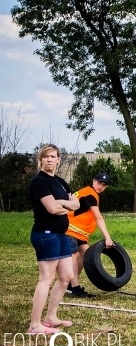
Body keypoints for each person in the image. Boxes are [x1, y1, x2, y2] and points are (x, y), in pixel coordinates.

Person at [27, 143, 80, 334]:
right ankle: (35, 325)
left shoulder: (60, 181)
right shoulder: (39, 182)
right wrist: (67, 205)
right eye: (46, 156)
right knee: (46, 278)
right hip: (45, 235)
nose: (49, 159)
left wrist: (63, 202)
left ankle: (51, 317)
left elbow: (77, 203)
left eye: (53, 156)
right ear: (41, 160)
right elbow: (51, 209)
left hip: (60, 234)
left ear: (58, 159)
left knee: (66, 276)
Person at [65, 172, 114, 299]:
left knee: (87, 254)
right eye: (99, 183)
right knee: (74, 256)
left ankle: (70, 285)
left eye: (104, 185)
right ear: (93, 181)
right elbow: (98, 218)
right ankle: (75, 289)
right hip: (69, 230)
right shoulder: (90, 194)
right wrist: (107, 237)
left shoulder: (90, 193)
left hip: (79, 233)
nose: (100, 186)